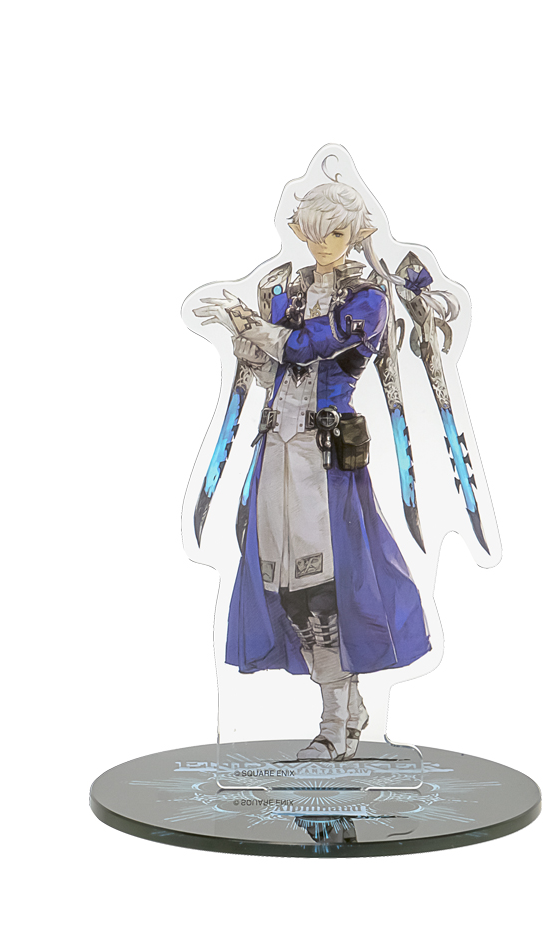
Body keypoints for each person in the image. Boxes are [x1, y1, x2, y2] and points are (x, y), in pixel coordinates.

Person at [194, 178, 437, 761]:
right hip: (276, 449)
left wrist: (245, 323)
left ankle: (334, 722)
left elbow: (308, 347)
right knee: (284, 586)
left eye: (336, 231)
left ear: (355, 232)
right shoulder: (290, 289)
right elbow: (276, 367)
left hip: (324, 460)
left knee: (322, 586)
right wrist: (248, 345)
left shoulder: (369, 299)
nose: (323, 242)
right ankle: (347, 710)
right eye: (313, 230)